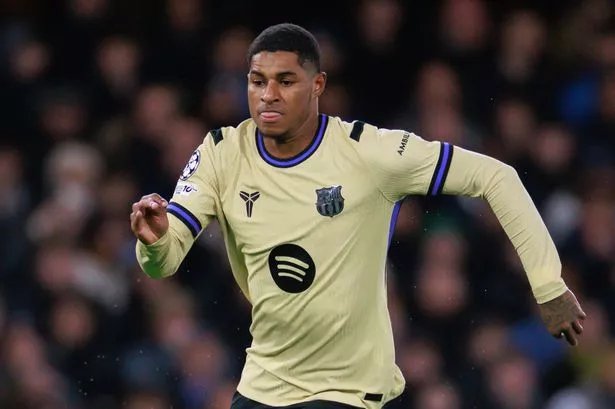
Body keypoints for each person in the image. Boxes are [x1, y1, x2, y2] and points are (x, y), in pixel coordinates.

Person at [130, 23, 586, 409]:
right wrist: (154, 240)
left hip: (348, 392)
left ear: (317, 85)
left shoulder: (370, 154)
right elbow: (163, 262)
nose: (268, 95)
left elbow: (495, 176)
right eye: (257, 81)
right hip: (263, 387)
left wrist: (548, 285)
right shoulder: (221, 153)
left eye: (285, 81)